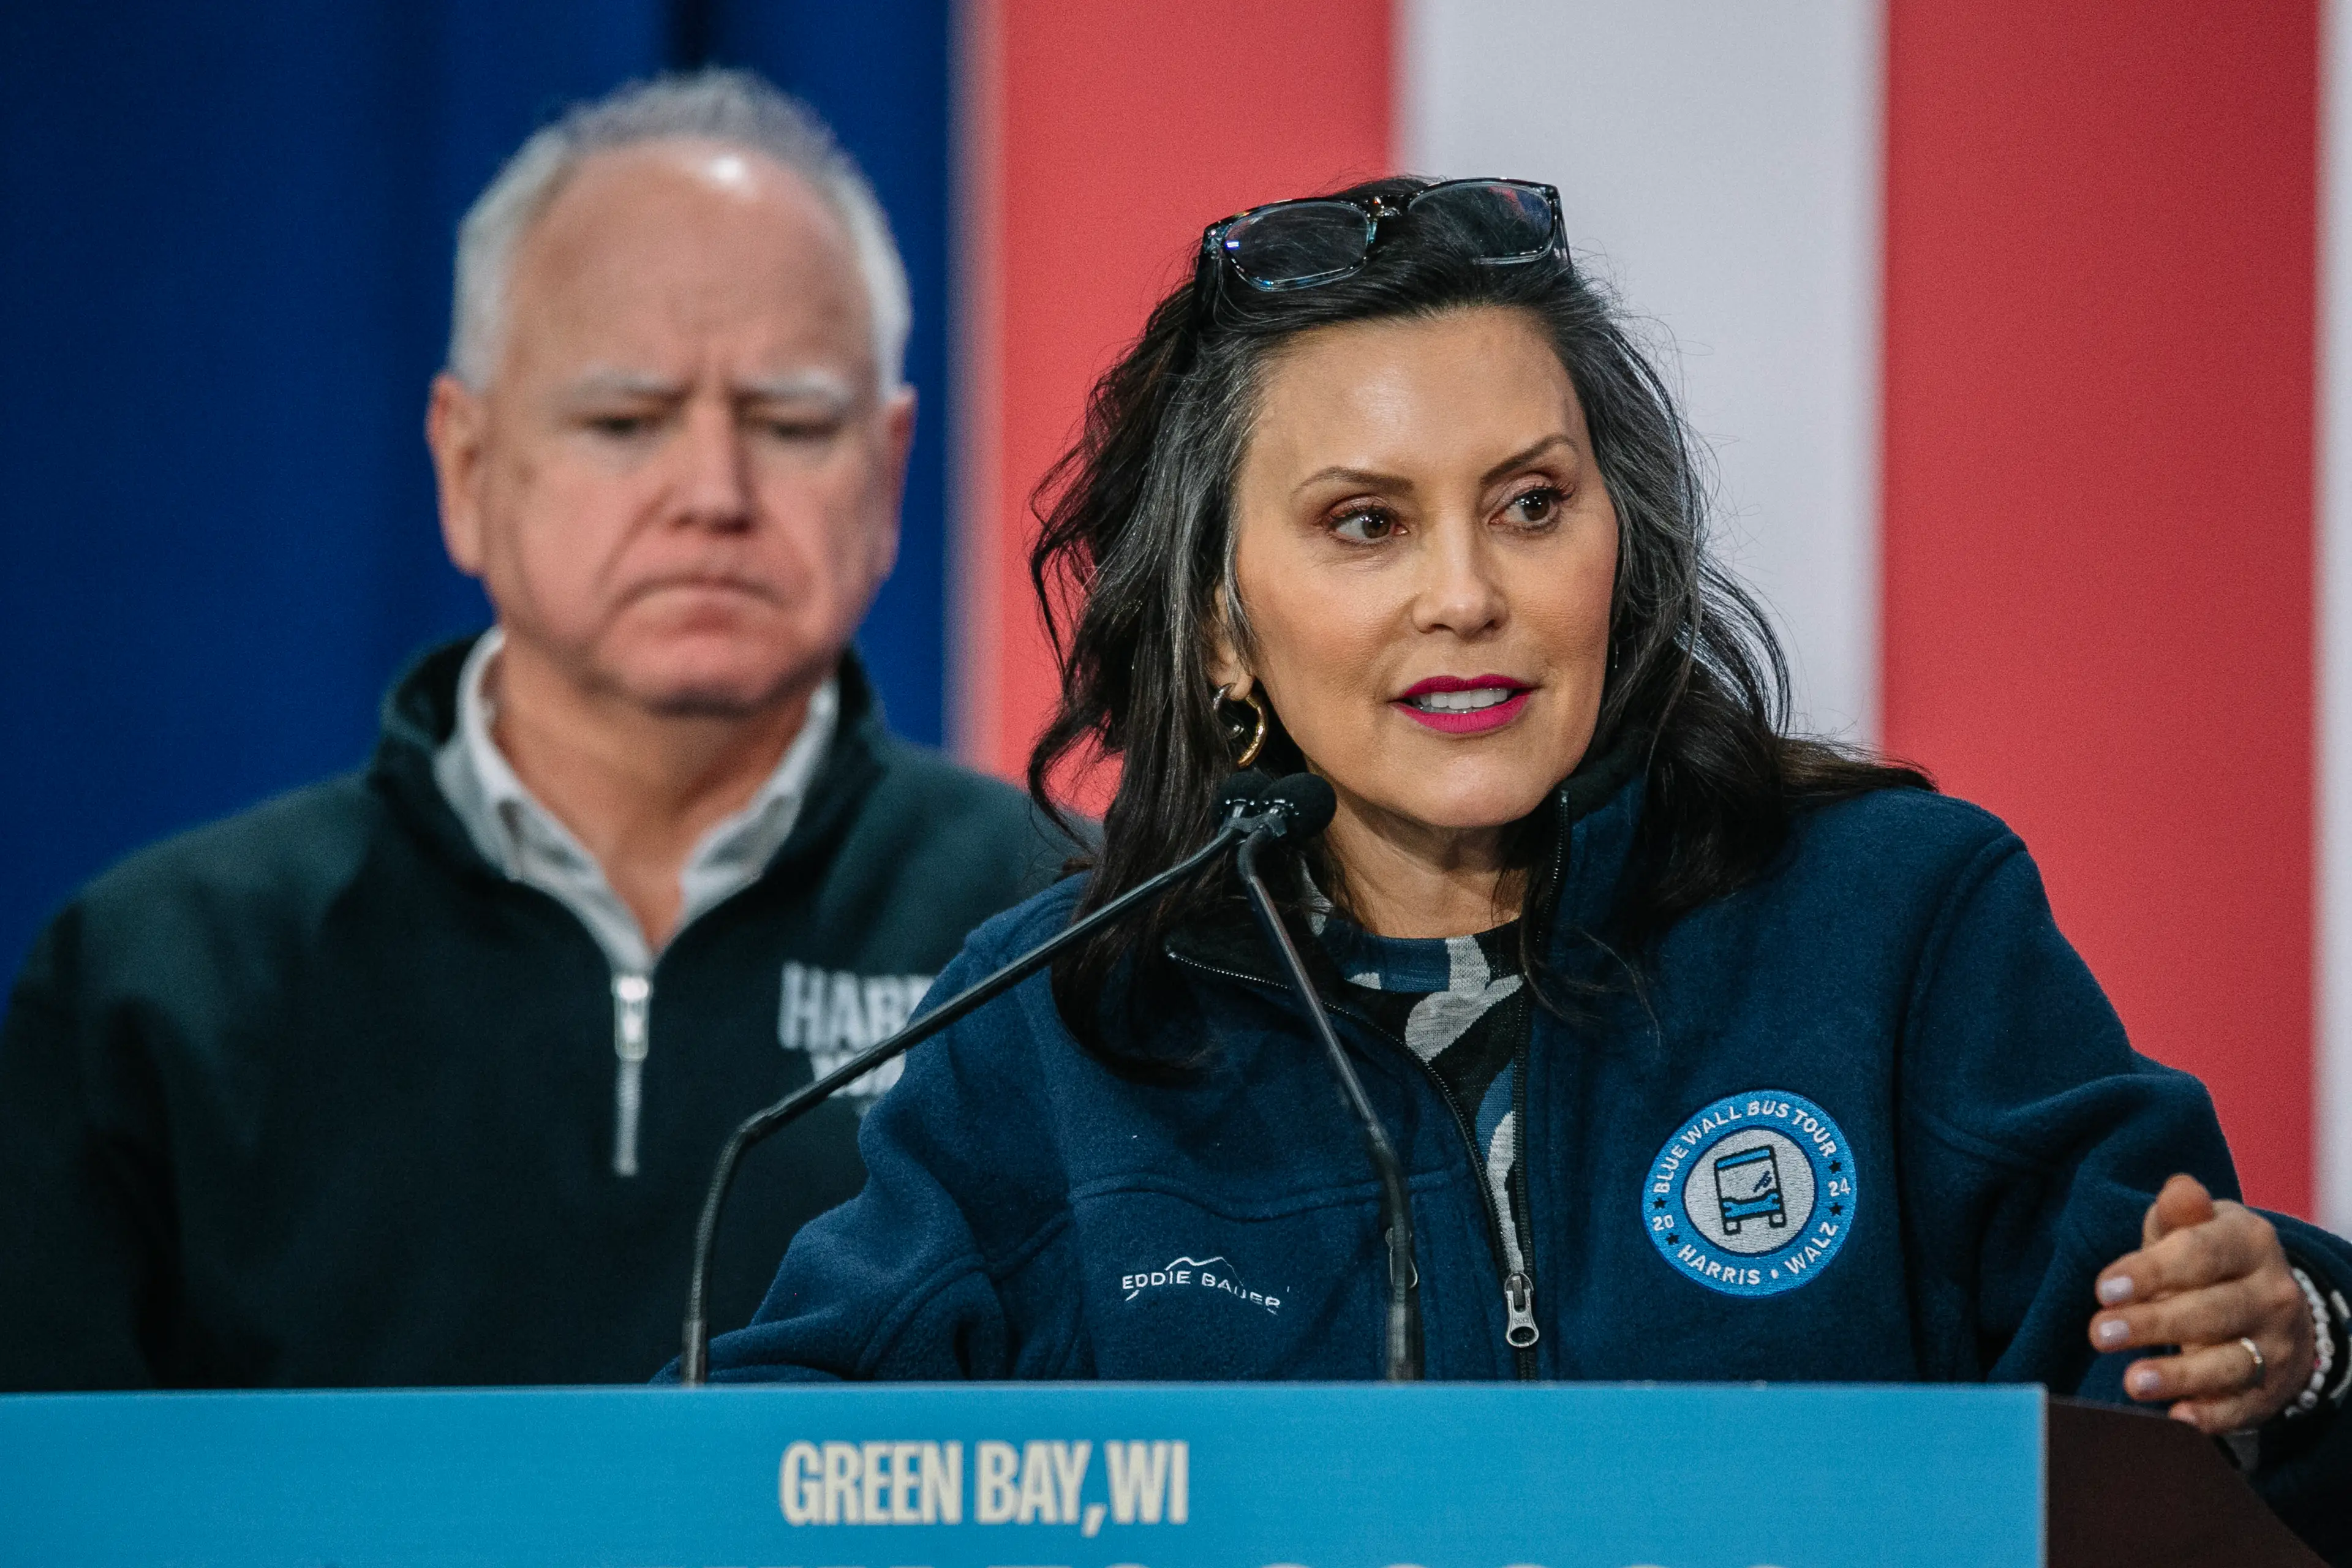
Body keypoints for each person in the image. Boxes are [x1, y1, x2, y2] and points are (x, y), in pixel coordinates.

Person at [697, 176, 2352, 1550]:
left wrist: (2300, 1349)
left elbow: (2187, 1391)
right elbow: (748, 1480)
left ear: (1622, 544)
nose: (1468, 594)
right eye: (1367, 523)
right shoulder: (1057, 1025)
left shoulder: (1899, 923)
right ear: (1219, 629)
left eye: (1532, 505)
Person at [0, 70, 1062, 1389]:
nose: (713, 492)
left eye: (790, 423)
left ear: (891, 470)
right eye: (625, 421)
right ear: (467, 463)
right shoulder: (158, 977)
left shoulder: (1072, 931)